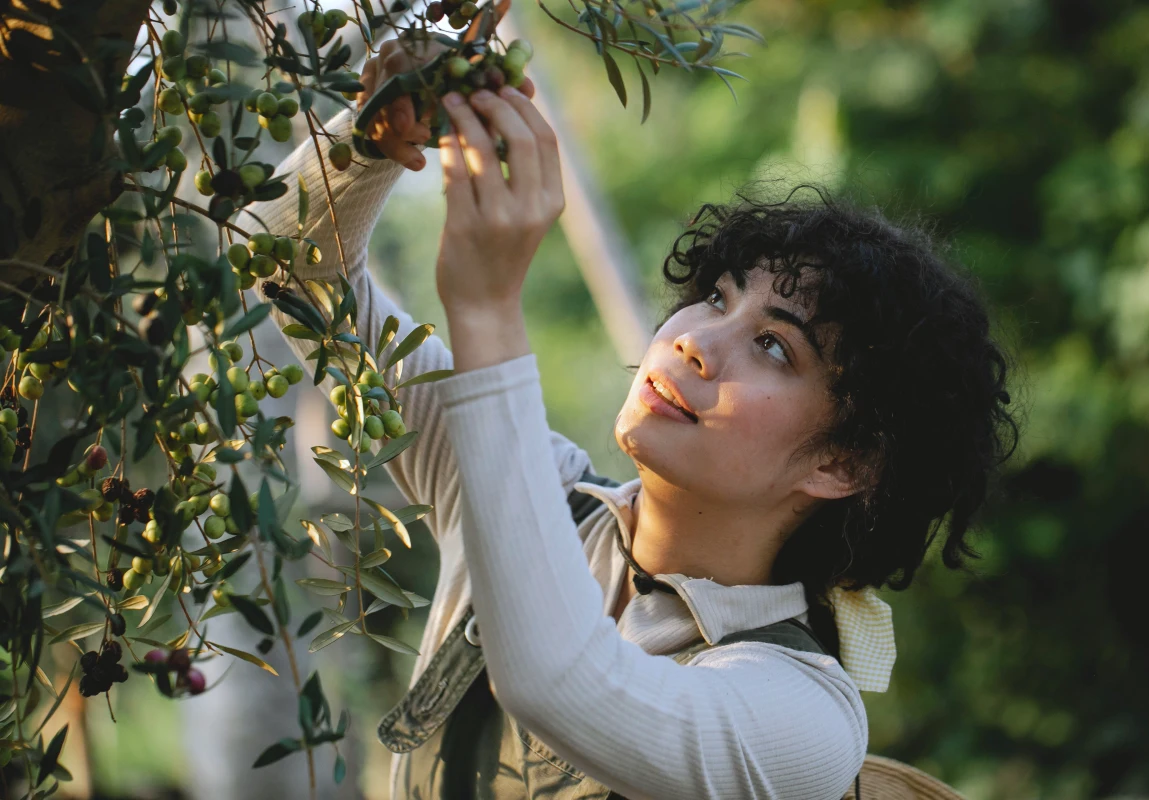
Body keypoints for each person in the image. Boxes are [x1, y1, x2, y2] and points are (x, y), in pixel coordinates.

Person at [239, 35, 1017, 800]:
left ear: (843, 464)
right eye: (716, 297)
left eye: (776, 348)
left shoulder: (802, 721)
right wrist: (370, 142)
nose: (696, 342)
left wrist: (485, 308)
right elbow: (286, 271)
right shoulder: (530, 495)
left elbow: (560, 684)